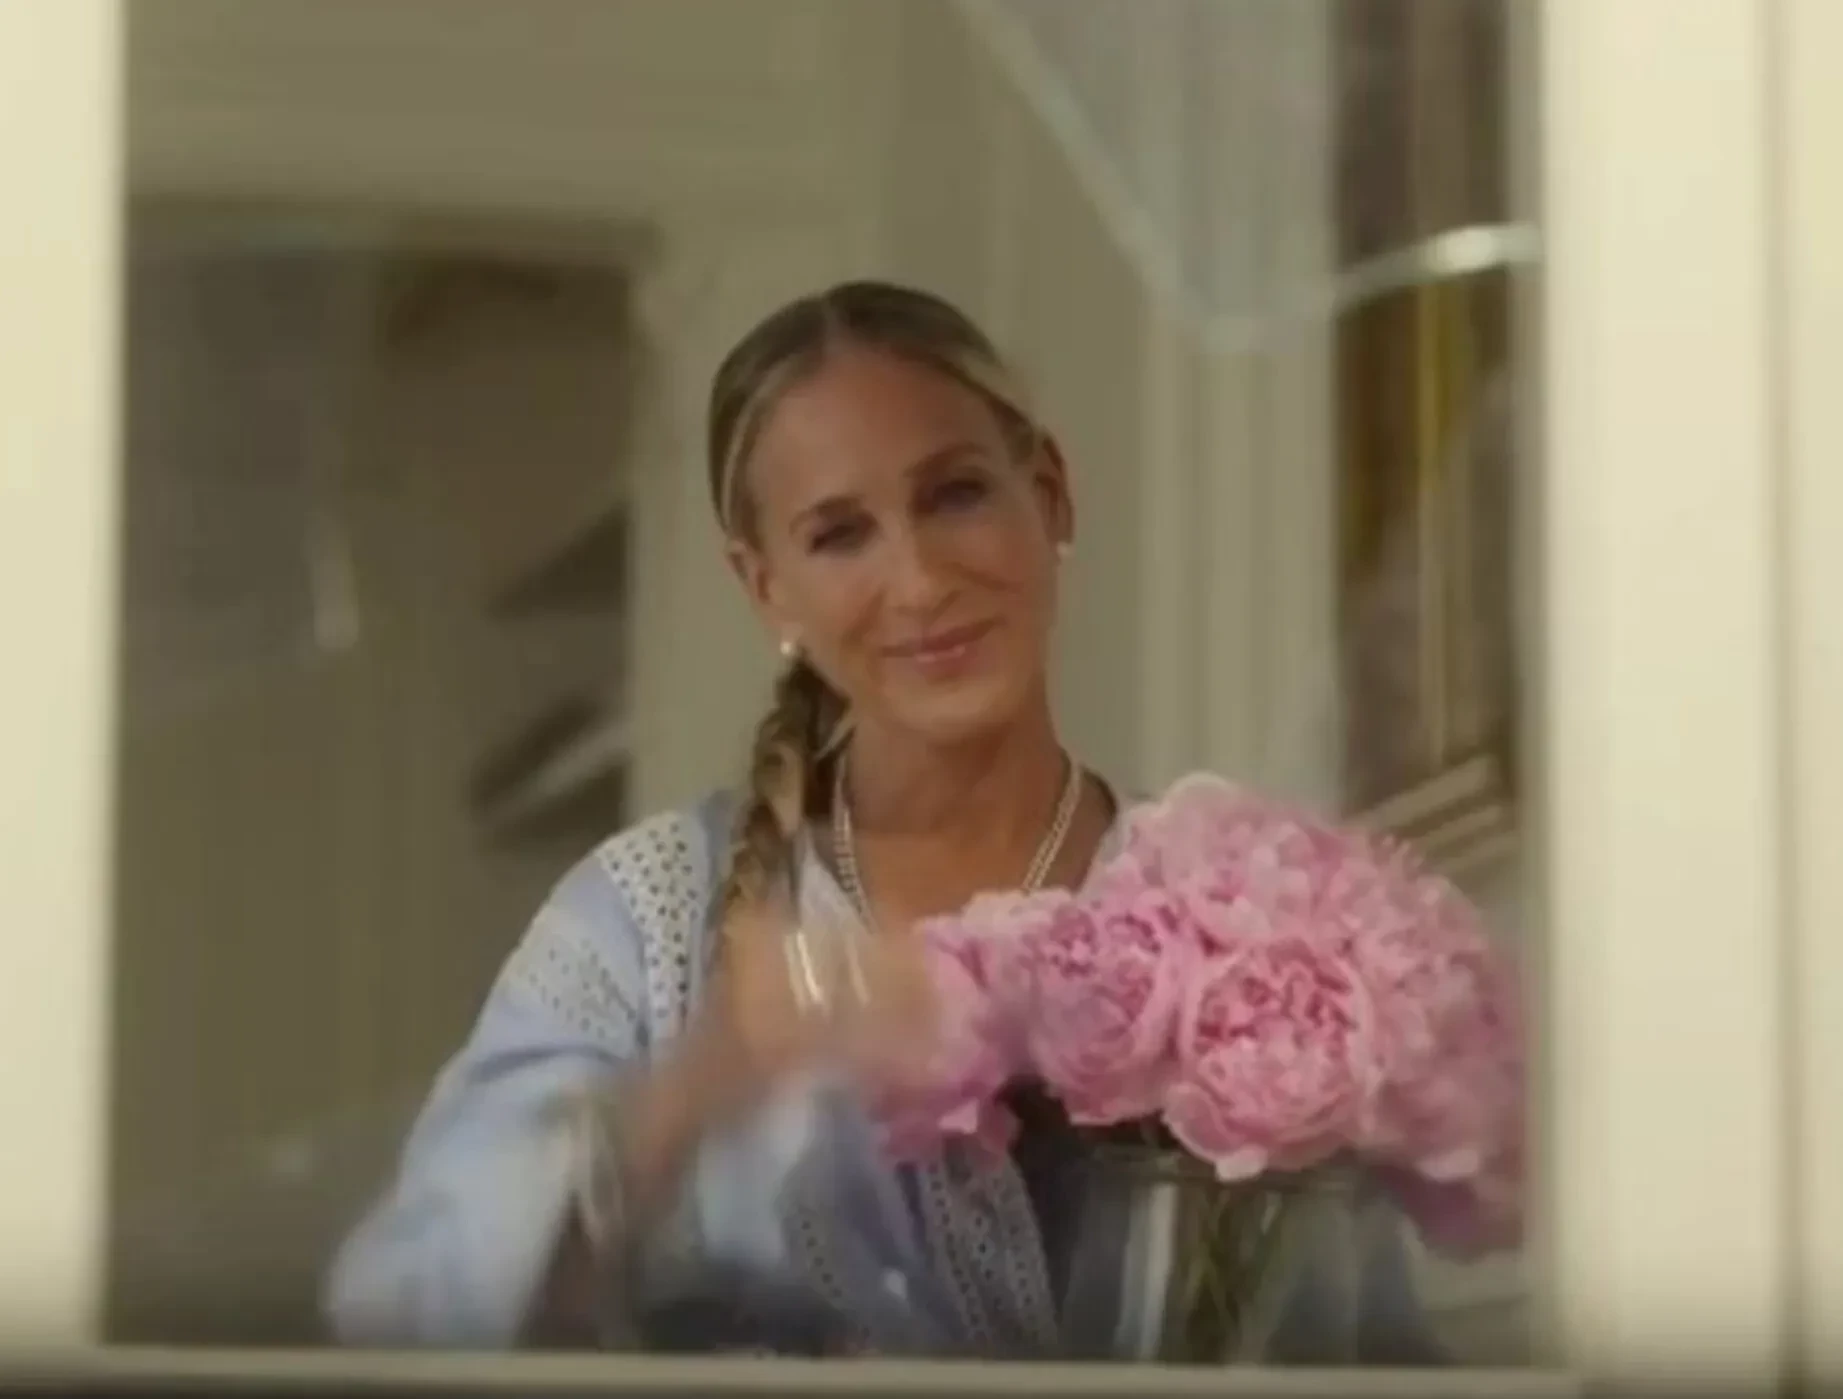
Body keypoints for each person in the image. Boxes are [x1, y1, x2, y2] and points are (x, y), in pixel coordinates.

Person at [325, 280, 1444, 1361]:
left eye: (956, 494)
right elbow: (401, 1308)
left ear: (1050, 492)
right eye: (840, 535)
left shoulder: (1232, 928)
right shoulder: (646, 922)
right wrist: (700, 1086)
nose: (918, 581)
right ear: (766, 586)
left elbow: (1366, 1345)